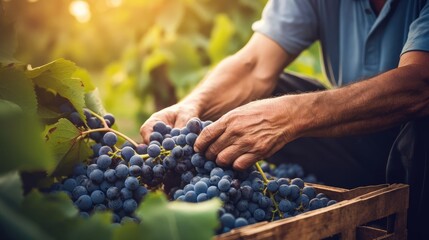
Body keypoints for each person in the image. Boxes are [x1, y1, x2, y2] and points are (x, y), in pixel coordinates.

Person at [141, 1, 429, 238]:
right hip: (358, 135)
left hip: (419, 143)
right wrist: (192, 105)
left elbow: (419, 85)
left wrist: (289, 116)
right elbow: (253, 66)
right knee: (265, 94)